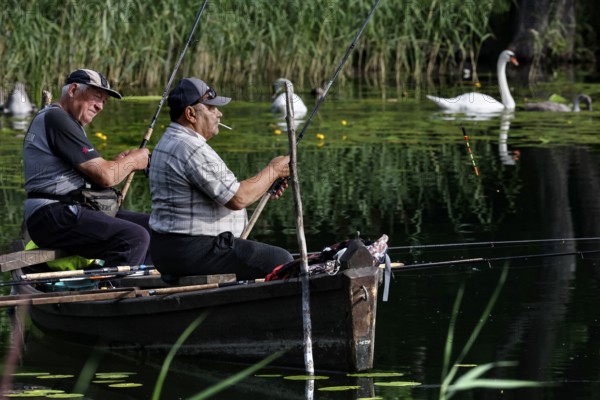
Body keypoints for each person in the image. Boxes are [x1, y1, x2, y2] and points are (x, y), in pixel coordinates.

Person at [149, 77, 293, 280]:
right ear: (190, 113)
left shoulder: (171, 140)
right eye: (211, 108)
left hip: (171, 249)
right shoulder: (190, 148)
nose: (219, 113)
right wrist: (273, 170)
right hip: (189, 249)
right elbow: (238, 198)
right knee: (280, 260)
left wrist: (266, 184)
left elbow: (228, 193)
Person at [23, 69, 152, 268]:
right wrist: (134, 161)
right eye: (97, 97)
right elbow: (105, 176)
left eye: (105, 102)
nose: (100, 106)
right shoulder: (58, 119)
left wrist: (117, 163)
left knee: (153, 227)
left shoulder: (66, 121)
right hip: (51, 215)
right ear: (73, 90)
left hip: (68, 210)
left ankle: (139, 283)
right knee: (135, 237)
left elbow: (94, 172)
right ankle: (111, 290)